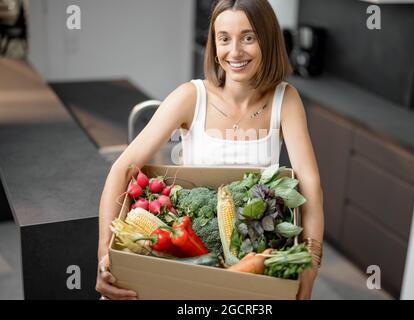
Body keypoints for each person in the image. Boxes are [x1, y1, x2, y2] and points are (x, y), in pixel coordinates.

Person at [96, 0, 324, 300]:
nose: (235, 52)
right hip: (188, 256)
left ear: (267, 40)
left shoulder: (286, 99)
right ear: (214, 45)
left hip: (251, 259)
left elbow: (310, 186)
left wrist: (311, 266)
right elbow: (123, 169)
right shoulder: (191, 96)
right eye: (224, 38)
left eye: (248, 37)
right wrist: (104, 252)